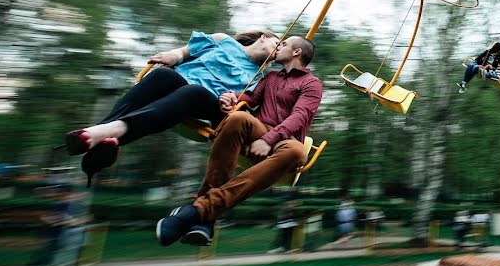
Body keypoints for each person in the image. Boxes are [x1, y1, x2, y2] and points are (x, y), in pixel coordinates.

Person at [155, 36, 322, 247]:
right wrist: (231, 97)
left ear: (297, 52)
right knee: (237, 117)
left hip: (284, 140)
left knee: (298, 152)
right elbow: (249, 99)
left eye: (284, 45)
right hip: (258, 131)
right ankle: (204, 217)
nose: (278, 48)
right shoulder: (270, 78)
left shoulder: (311, 83)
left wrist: (269, 140)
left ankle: (195, 212)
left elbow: (299, 116)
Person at [61, 30, 280, 186]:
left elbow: (245, 102)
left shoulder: (260, 77)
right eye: (277, 44)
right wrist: (172, 56)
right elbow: (185, 52)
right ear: (264, 37)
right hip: (179, 80)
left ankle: (100, 131)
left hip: (208, 101)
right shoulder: (223, 41)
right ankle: (99, 143)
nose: (277, 51)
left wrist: (232, 101)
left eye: (280, 52)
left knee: (192, 91)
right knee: (163, 73)